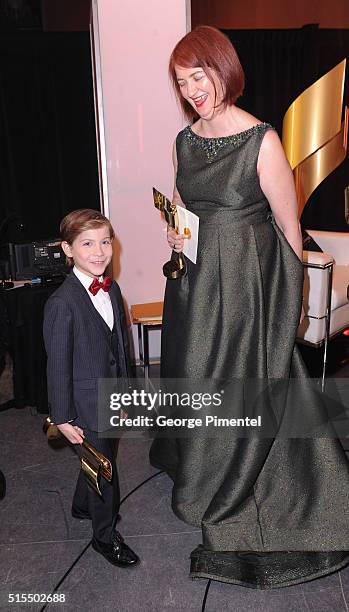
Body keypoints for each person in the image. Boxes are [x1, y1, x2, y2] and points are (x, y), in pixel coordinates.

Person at [150, 26, 349, 588]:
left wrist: (288, 307)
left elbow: (290, 229)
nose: (193, 90)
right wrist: (176, 235)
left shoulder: (261, 140)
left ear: (224, 72)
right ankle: (205, 469)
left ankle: (246, 484)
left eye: (201, 76)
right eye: (183, 81)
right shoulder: (184, 142)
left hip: (246, 290)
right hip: (193, 284)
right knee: (198, 379)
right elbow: (183, 210)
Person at [43, 209, 139, 568]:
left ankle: (81, 505)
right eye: (86, 244)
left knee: (103, 456)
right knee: (104, 471)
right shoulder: (62, 304)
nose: (99, 252)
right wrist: (63, 416)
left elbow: (120, 346)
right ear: (67, 249)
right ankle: (104, 537)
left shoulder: (112, 289)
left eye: (105, 242)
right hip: (84, 404)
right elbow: (57, 366)